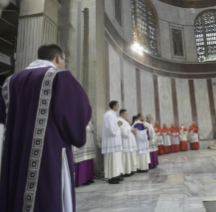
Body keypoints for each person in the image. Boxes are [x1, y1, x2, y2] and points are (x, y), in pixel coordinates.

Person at [0, 44, 91, 212]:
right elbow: (77, 111)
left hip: (15, 153)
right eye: (65, 60)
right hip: (49, 152)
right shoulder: (59, 76)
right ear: (58, 58)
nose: (64, 64)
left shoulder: (9, 81)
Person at [102, 101, 124, 184]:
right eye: (117, 105)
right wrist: (117, 125)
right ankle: (111, 177)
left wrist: (118, 124)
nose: (118, 106)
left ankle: (116, 174)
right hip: (111, 141)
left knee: (116, 158)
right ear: (114, 106)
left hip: (115, 141)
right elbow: (109, 128)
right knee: (112, 158)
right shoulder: (108, 115)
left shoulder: (113, 115)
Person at [73, 118, 96, 186]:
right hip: (82, 145)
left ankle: (88, 178)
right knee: (83, 160)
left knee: (88, 160)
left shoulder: (87, 120)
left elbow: (92, 129)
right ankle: (82, 180)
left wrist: (91, 122)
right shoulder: (77, 120)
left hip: (88, 144)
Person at [118, 109, 138, 177]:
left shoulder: (125, 121)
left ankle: (129, 170)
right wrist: (130, 129)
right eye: (126, 113)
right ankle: (125, 171)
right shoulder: (119, 120)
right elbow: (122, 131)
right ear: (122, 114)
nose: (127, 115)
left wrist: (133, 131)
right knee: (125, 156)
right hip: (125, 142)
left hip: (129, 142)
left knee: (129, 156)